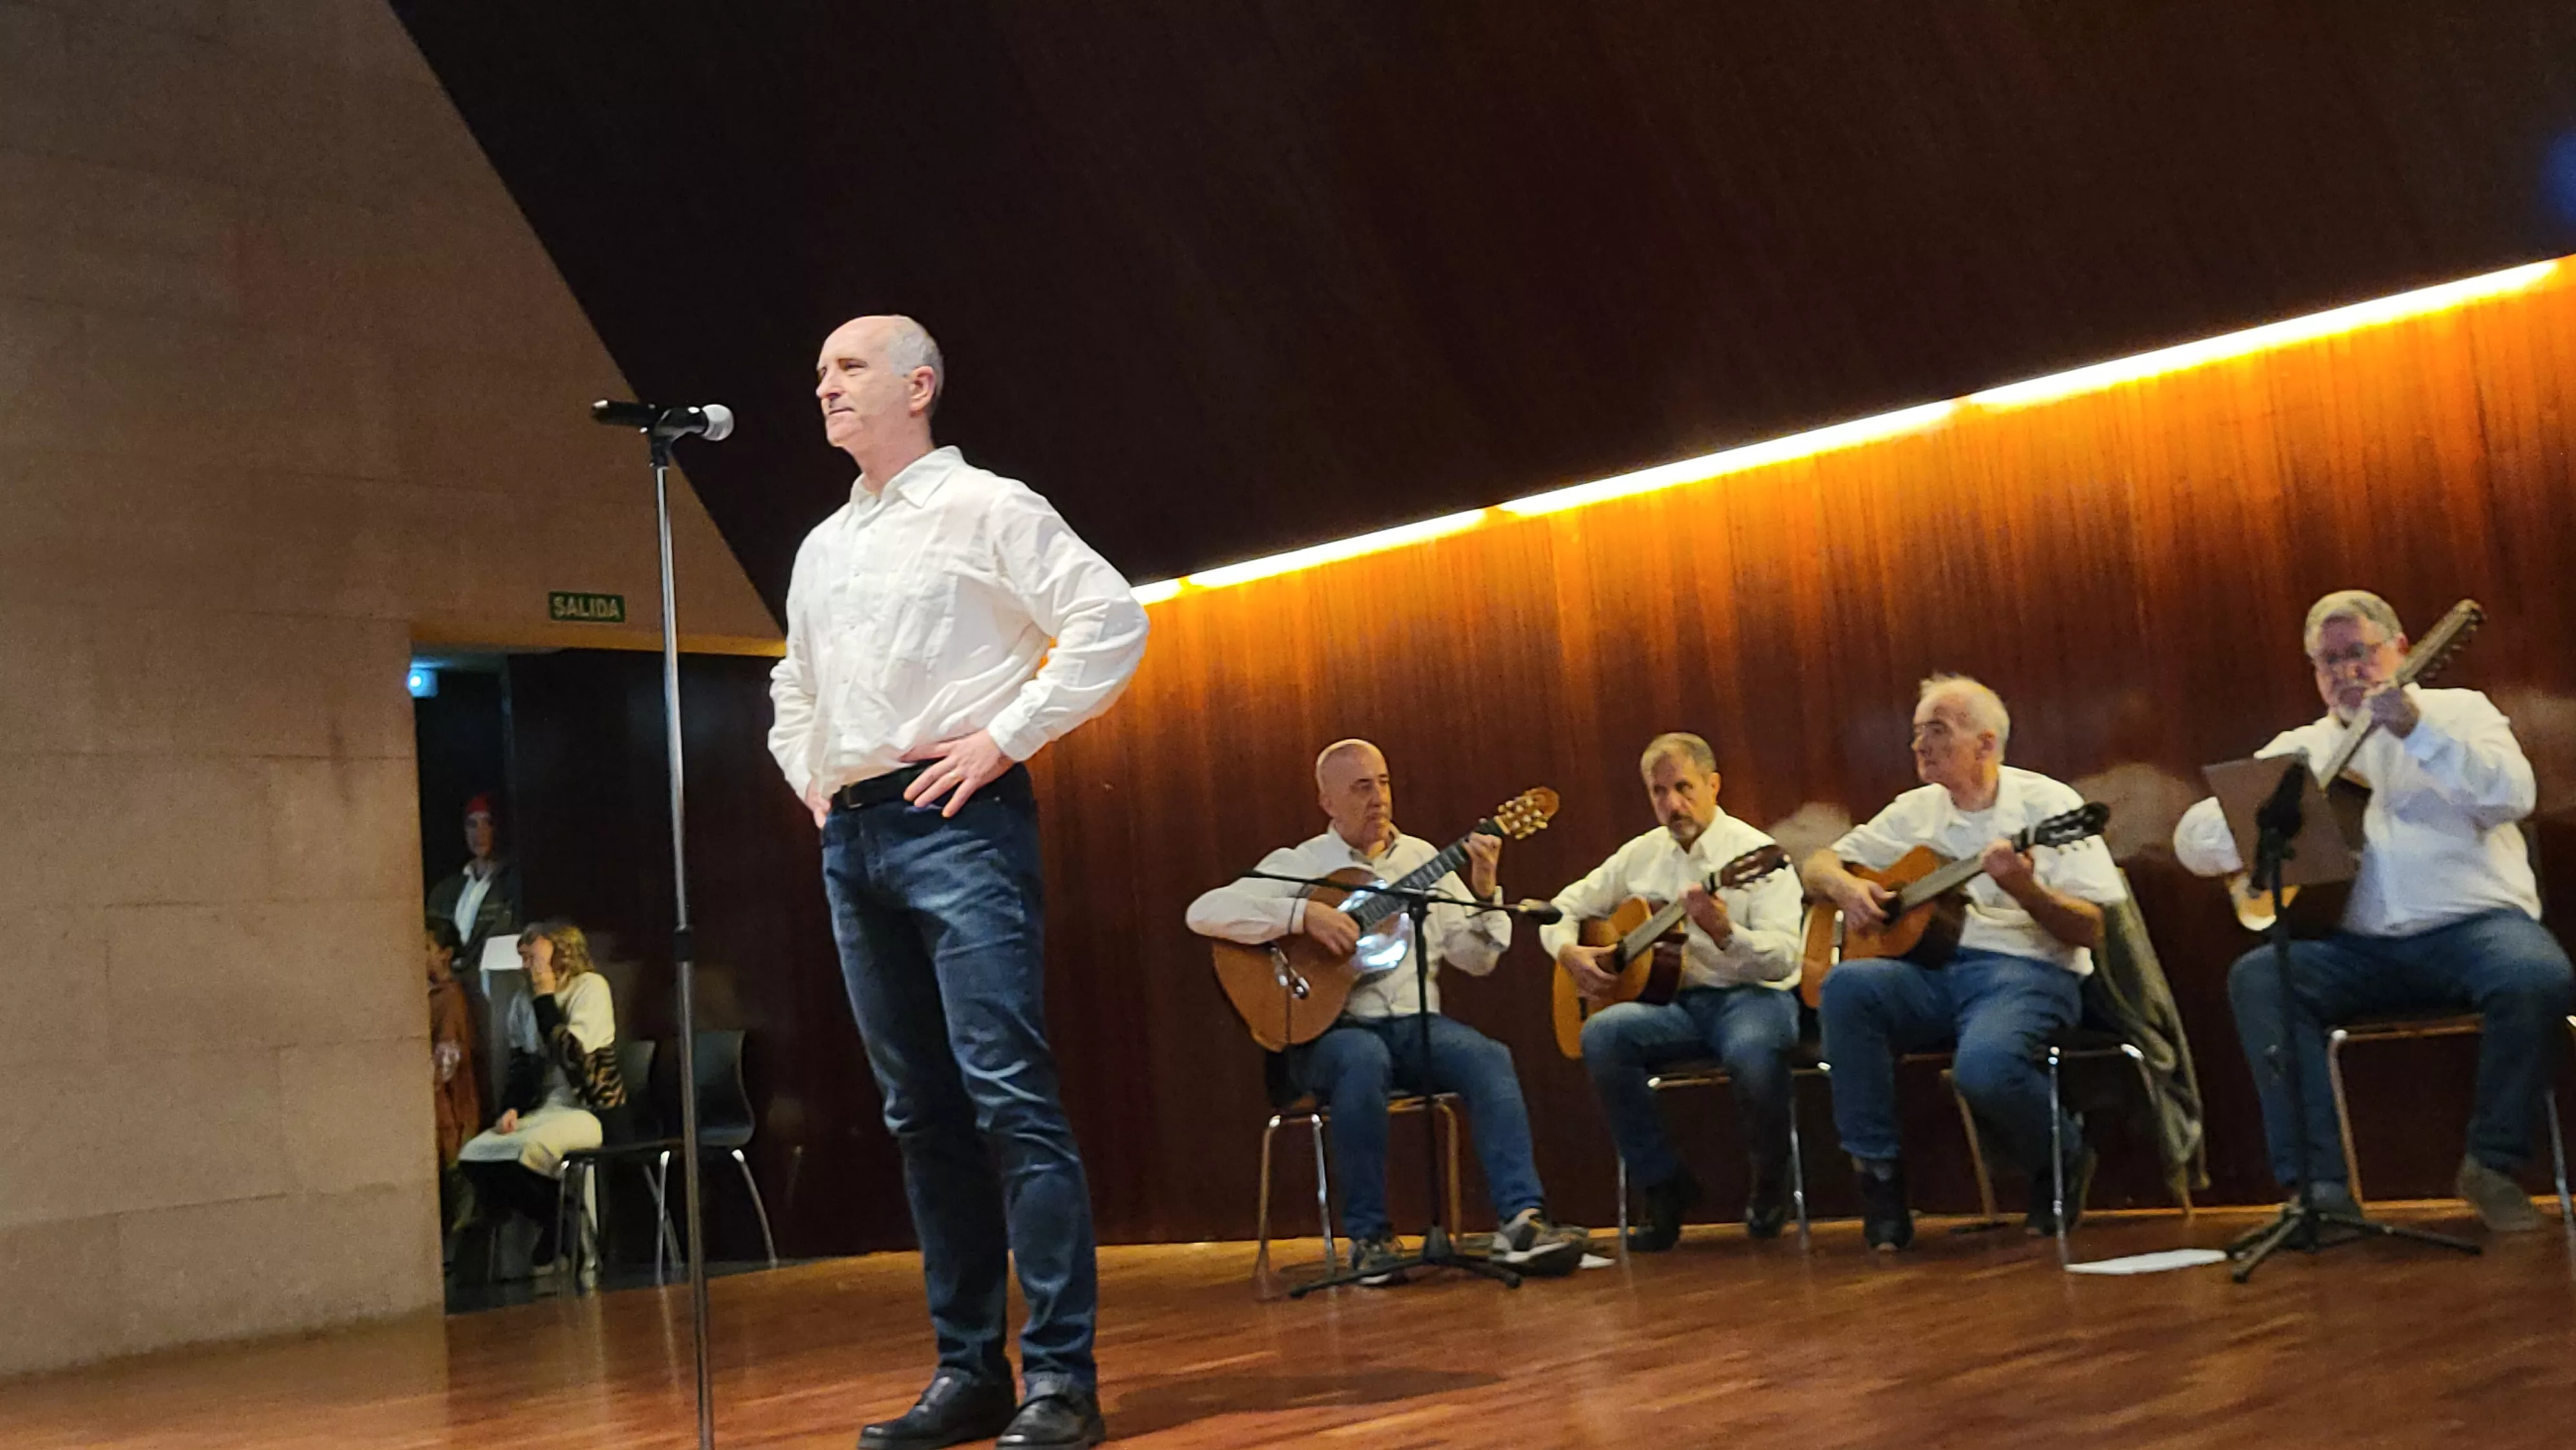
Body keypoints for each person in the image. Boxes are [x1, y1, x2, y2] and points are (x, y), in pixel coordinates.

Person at [769, 315, 1146, 1450]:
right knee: (920, 1115)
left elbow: (1109, 618)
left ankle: (1061, 1380)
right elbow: (794, 685)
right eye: (821, 368)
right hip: (859, 840)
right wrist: (815, 779)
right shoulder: (822, 545)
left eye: (847, 367)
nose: (822, 383)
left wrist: (1007, 737)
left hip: (961, 823)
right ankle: (970, 1370)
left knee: (1009, 1100)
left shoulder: (990, 506)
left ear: (917, 384)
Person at [2173, 589, 2574, 1231]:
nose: (2344, 672)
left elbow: (2511, 794)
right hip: (2355, 950)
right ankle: (2320, 1189)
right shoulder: (2300, 744)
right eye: (2327, 661)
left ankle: (2491, 1164)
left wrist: (2417, 729)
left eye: (2358, 653)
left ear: (2400, 649)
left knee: (2536, 976)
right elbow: (2191, 841)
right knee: (2258, 977)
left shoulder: (2459, 711)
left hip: (2475, 930)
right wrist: (2282, 799)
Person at [1186, 739, 1589, 1285]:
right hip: (1331, 1035)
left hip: (1416, 1027)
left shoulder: (1423, 860)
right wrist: (1304, 916)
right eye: (1361, 788)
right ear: (1327, 802)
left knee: (1488, 1058)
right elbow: (1204, 911)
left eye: (1383, 783)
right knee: (1362, 1060)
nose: (1378, 798)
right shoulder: (1301, 865)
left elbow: (1476, 962)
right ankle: (1370, 1238)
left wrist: (1486, 890)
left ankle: (1522, 1222)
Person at [1801, 675, 2127, 1250]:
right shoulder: (1914, 812)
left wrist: (2027, 889)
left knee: (1982, 1069)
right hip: (1932, 976)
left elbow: (2092, 927)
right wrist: (1847, 889)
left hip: (2026, 971)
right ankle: (1878, 1178)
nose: (1920, 746)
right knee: (1848, 984)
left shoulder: (2050, 807)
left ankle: (2063, 1157)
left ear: (1987, 744)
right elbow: (1819, 864)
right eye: (1917, 733)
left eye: (1938, 732)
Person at [1542, 732, 1804, 1249]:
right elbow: (1562, 907)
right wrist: (1568, 952)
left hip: (1753, 997)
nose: (1672, 804)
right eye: (1659, 792)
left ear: (1713, 784)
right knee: (1602, 1035)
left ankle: (1772, 1181)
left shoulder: (1755, 855)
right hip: (1674, 1006)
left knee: (1752, 1053)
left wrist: (1727, 932)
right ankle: (1664, 1185)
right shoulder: (1643, 854)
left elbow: (1784, 957)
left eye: (1683, 788)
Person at [455, 921, 624, 1276]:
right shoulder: (522, 1000)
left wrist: (546, 999)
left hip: (587, 1106)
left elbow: (574, 1056)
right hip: (543, 1108)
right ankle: (560, 1220)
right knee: (476, 1155)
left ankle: (563, 1227)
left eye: (532, 957)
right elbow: (522, 1066)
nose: (525, 967)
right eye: (523, 958)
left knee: (524, 1153)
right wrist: (511, 1109)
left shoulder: (590, 988)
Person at [426, 919, 482, 1241]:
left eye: (426, 949)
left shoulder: (449, 997)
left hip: (450, 1107)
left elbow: (449, 1056)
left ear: (445, 954)